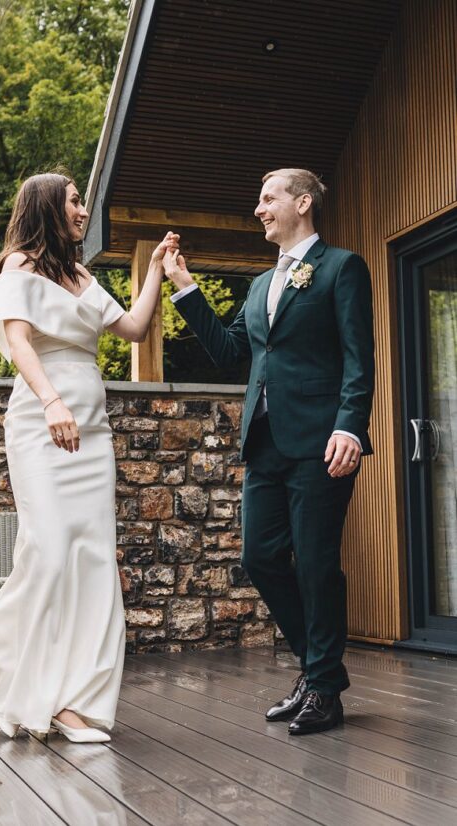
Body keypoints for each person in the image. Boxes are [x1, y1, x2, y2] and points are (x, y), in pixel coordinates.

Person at [163, 168, 374, 735]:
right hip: (263, 443)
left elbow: (359, 357)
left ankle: (322, 688)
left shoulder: (342, 267)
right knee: (259, 557)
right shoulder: (260, 286)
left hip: (321, 441)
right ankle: (320, 671)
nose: (258, 209)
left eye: (267, 198)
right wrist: (184, 286)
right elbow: (230, 349)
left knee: (317, 564)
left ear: (302, 203)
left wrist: (350, 428)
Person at [0, 171, 172, 742]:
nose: (84, 211)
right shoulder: (18, 267)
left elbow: (134, 328)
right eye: (74, 202)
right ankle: (28, 681)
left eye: (82, 201)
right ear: (46, 208)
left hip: (93, 431)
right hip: (41, 422)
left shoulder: (83, 276)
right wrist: (52, 401)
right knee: (52, 551)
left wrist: (155, 270)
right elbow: (18, 342)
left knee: (94, 559)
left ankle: (74, 702)